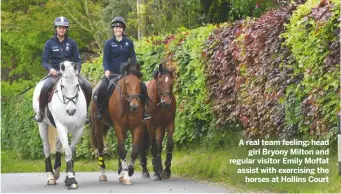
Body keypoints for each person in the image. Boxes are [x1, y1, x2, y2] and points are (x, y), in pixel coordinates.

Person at [35, 16, 92, 122]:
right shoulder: (49, 43)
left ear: (66, 29)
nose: (61, 29)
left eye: (64, 28)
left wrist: (77, 70)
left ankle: (86, 113)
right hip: (55, 73)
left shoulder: (72, 43)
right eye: (59, 27)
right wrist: (50, 69)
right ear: (56, 28)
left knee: (88, 87)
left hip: (71, 74)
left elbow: (78, 60)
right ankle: (41, 112)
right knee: (45, 87)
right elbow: (44, 61)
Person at [96, 16, 151, 121]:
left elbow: (133, 57)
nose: (118, 29)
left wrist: (134, 69)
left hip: (126, 74)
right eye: (116, 28)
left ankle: (143, 111)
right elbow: (105, 59)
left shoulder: (128, 43)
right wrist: (106, 70)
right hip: (113, 74)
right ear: (113, 29)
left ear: (123, 29)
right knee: (102, 88)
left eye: (120, 27)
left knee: (143, 87)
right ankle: (100, 110)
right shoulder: (109, 43)